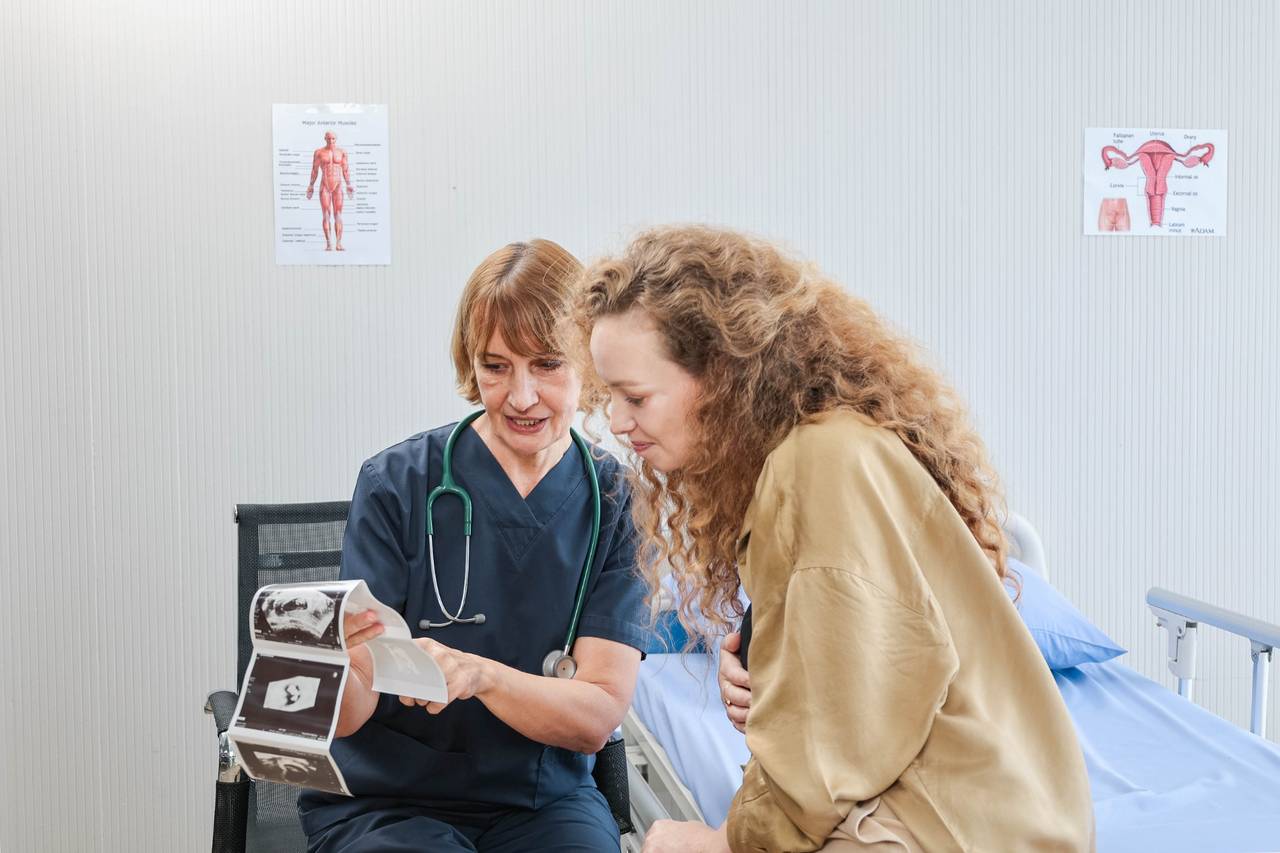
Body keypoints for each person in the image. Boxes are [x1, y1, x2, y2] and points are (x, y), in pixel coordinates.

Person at [574, 226, 1094, 852]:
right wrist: (775, 681)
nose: (618, 422)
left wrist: (726, 840)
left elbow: (831, 748)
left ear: (720, 374)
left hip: (950, 826)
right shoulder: (816, 455)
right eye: (610, 398)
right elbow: (864, 666)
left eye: (635, 397)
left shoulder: (818, 466)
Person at [299, 239, 649, 852]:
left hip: (541, 803)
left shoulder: (616, 502)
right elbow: (352, 711)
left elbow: (595, 718)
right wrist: (325, 672)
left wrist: (480, 676)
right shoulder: (397, 486)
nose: (520, 396)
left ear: (589, 362)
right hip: (388, 801)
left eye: (547, 364)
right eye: (495, 366)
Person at [306, 131, 354, 251]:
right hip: (325, 185)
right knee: (326, 215)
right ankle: (328, 243)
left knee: (338, 214)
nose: (331, 141)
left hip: (338, 185)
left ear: (336, 139)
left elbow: (346, 170)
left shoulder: (342, 152)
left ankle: (338, 243)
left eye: (333, 139)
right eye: (328, 139)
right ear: (325, 139)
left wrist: (348, 184)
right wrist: (311, 185)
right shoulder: (319, 152)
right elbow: (314, 170)